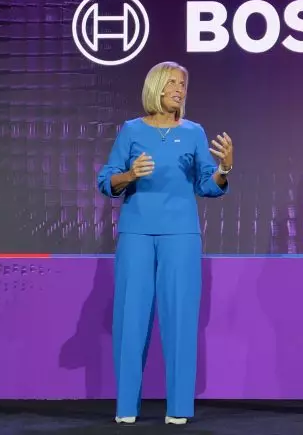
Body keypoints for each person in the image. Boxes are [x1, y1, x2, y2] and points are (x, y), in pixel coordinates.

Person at [97, 61, 233, 425]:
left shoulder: (194, 132)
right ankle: (127, 407)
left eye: (183, 84)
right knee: (130, 319)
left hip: (181, 235)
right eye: (172, 82)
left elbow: (207, 184)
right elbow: (106, 180)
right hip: (137, 233)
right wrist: (130, 174)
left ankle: (179, 409)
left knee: (181, 319)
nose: (179, 89)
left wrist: (224, 169)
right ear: (155, 87)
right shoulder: (131, 130)